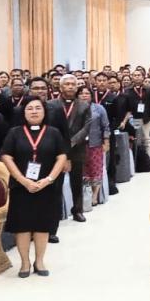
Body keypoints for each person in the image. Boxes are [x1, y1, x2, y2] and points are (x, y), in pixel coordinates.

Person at [0, 98, 67, 278]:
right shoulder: (14, 132)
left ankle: (39, 261)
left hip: (46, 187)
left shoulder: (54, 133)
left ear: (44, 112)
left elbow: (61, 157)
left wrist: (49, 179)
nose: (34, 111)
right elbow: (6, 156)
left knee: (42, 225)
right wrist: (23, 180)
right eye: (30, 108)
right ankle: (24, 263)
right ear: (24, 112)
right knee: (22, 226)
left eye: (38, 108)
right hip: (21, 187)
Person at [46, 74, 91, 233]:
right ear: (60, 86)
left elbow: (86, 127)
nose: (71, 86)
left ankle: (77, 210)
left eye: (73, 84)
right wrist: (61, 144)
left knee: (76, 181)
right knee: (55, 182)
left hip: (77, 148)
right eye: (67, 84)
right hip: (56, 150)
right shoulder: (50, 104)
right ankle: (56, 212)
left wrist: (71, 142)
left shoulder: (84, 105)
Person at [77, 86, 110, 206]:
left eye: (87, 93)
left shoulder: (99, 108)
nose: (84, 95)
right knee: (83, 170)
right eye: (81, 93)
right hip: (79, 145)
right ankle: (86, 194)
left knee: (96, 170)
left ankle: (95, 196)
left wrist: (106, 142)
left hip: (95, 143)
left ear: (91, 96)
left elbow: (105, 126)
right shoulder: (74, 109)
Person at [125, 69, 150, 158]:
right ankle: (136, 159)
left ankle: (148, 159)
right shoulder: (128, 91)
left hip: (146, 118)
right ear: (132, 77)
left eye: (139, 75)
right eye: (135, 75)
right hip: (133, 118)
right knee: (136, 139)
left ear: (143, 77)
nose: (137, 77)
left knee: (146, 139)